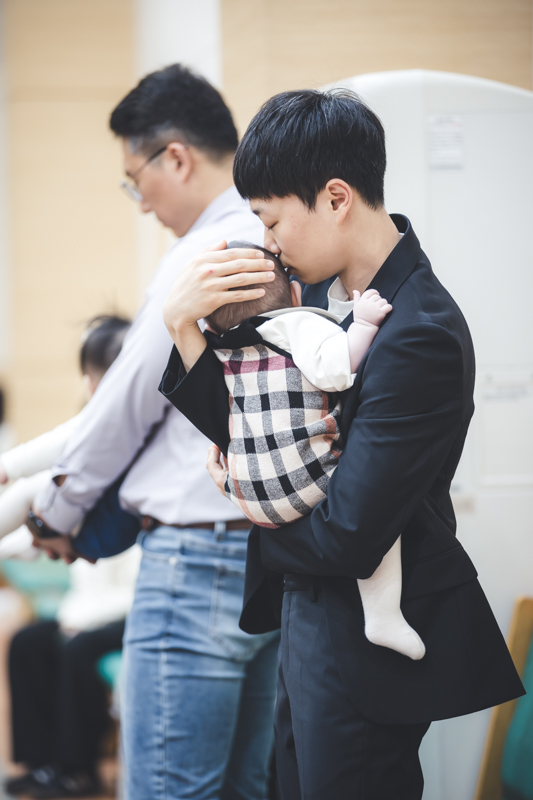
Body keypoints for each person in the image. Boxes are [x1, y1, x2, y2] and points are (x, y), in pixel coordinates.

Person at [159, 88, 524, 800]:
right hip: (313, 614)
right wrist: (182, 328)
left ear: (335, 198)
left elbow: (348, 535)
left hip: (359, 644)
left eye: (271, 220)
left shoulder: (417, 331)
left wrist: (251, 510)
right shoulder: (320, 304)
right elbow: (254, 423)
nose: (269, 244)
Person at [29, 65, 279, 800]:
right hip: (268, 560)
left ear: (176, 157)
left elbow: (122, 406)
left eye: (136, 180)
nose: (141, 202)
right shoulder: (276, 242)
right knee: (242, 788)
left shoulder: (202, 256)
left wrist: (58, 513)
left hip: (194, 566)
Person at [204, 241, 424, 660]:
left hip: (247, 493)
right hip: (306, 483)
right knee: (382, 509)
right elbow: (337, 369)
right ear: (295, 294)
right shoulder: (297, 323)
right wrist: (363, 324)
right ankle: (383, 615)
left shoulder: (223, 348)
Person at [2, 315, 137, 799]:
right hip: (92, 607)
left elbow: (50, 506)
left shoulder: (131, 438)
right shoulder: (98, 434)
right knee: (28, 642)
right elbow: (49, 513)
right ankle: (43, 764)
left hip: (130, 607)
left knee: (78, 648)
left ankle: (78, 771)